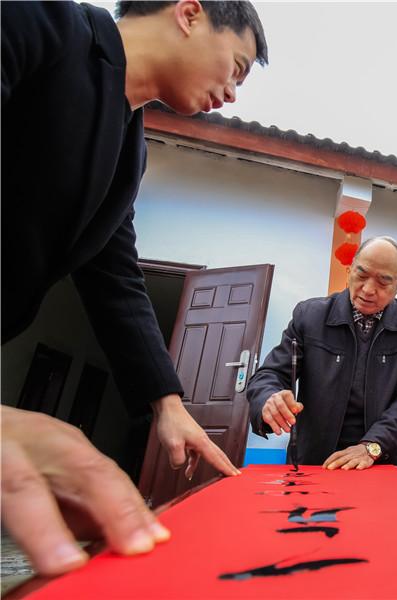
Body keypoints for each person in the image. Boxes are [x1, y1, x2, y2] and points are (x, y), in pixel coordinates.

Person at [1, 0, 268, 574]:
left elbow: (114, 274)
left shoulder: (130, 148)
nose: (233, 93)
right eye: (237, 67)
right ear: (190, 13)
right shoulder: (38, 23)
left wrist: (167, 403)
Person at [247, 237, 397, 470]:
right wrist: (268, 398)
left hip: (379, 460)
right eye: (361, 275)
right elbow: (271, 373)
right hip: (314, 459)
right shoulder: (310, 315)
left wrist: (373, 446)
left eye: (383, 282)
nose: (369, 289)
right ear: (350, 270)